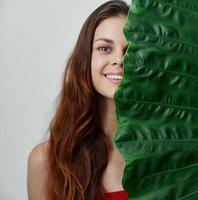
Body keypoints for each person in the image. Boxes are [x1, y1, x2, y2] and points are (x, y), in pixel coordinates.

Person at [27, 1, 129, 199]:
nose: (119, 60)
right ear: (85, 59)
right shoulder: (45, 160)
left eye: (129, 50)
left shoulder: (169, 152)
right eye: (105, 48)